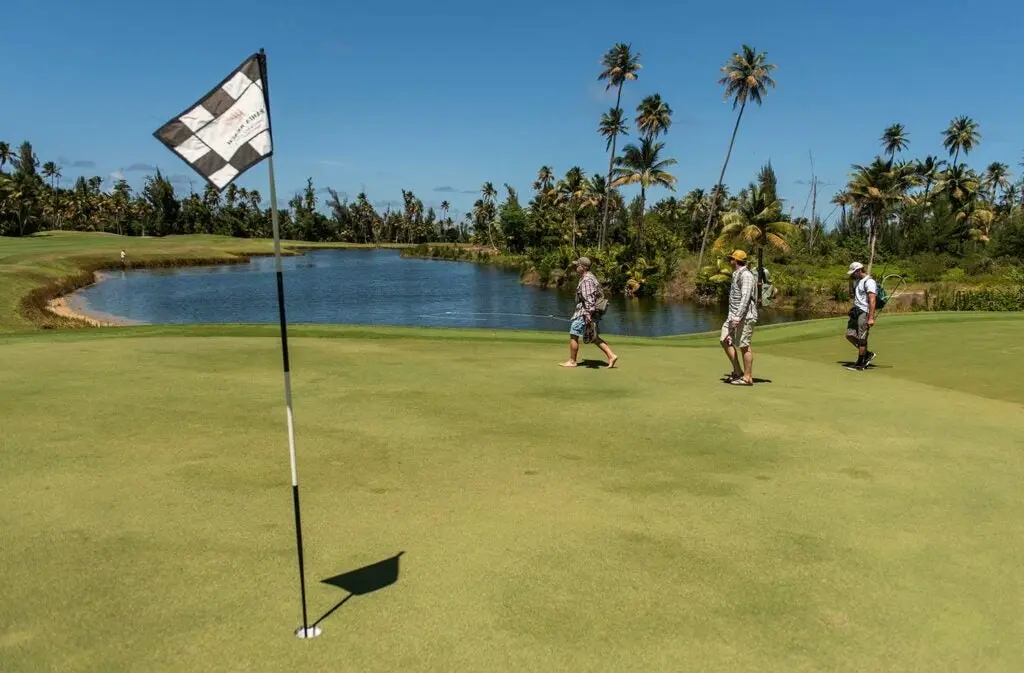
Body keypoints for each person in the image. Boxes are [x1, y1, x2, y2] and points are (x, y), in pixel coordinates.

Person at [559, 257, 618, 369]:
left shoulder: (587, 280)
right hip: (589, 312)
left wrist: (587, 314)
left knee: (574, 333)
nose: (576, 267)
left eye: (578, 265)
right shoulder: (589, 277)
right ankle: (611, 356)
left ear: (583, 267)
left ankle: (572, 361)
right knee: (594, 337)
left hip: (585, 313)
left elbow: (589, 299)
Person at [720, 249, 758, 386]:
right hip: (733, 315)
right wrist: (733, 317)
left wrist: (737, 317)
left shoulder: (746, 275)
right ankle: (737, 371)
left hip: (745, 317)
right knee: (724, 339)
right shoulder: (736, 274)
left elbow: (746, 298)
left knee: (744, 345)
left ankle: (747, 377)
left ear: (735, 261)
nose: (729, 261)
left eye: (731, 259)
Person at [845, 262, 877, 371]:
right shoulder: (857, 281)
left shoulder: (869, 282)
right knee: (850, 335)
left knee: (862, 338)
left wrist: (871, 318)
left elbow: (872, 300)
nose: (852, 275)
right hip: (856, 311)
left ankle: (860, 363)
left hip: (864, 312)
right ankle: (867, 354)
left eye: (854, 273)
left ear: (859, 270)